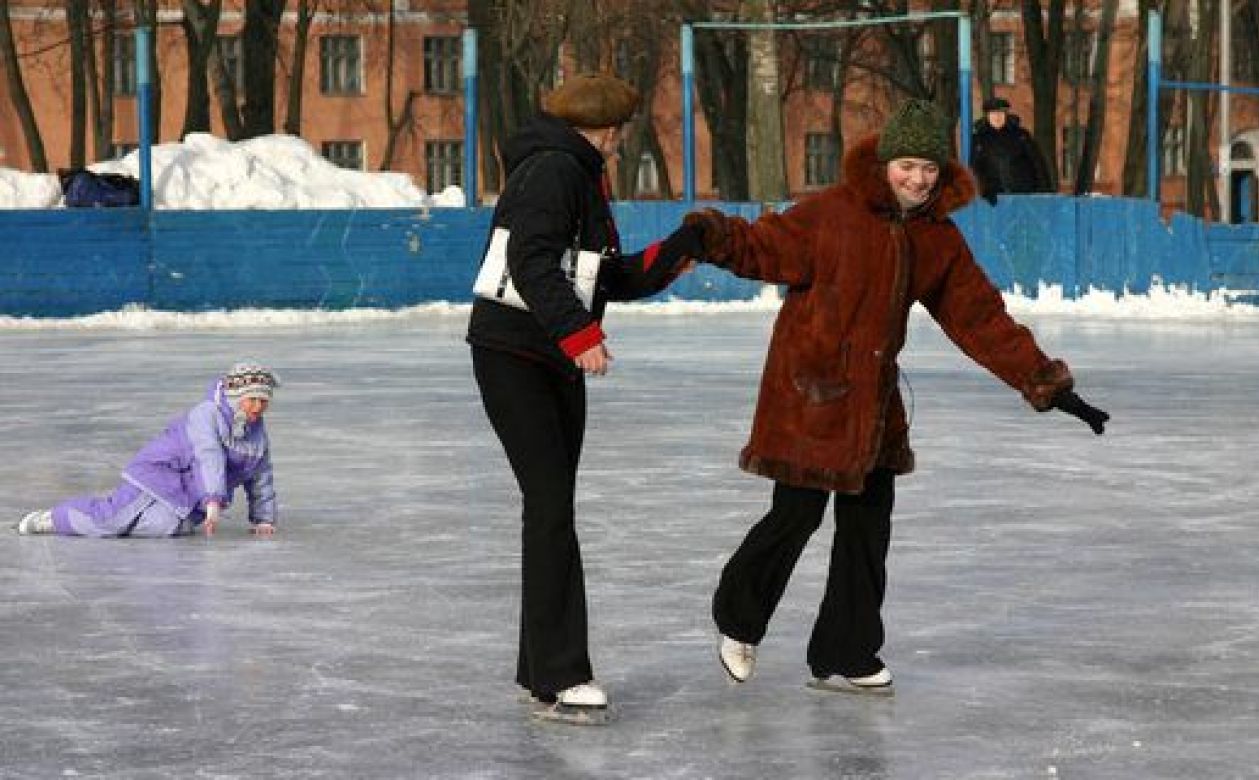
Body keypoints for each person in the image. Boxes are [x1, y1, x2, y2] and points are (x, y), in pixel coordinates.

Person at [682, 99, 1109, 695]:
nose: (918, 179)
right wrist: (712, 235)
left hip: (876, 403)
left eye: (930, 168)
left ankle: (845, 651)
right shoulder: (832, 213)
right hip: (812, 391)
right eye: (908, 164)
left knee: (867, 526)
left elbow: (980, 319)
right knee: (796, 514)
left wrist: (1042, 380)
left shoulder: (937, 238)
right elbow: (763, 245)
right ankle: (739, 619)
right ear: (885, 163)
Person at [466, 73, 703, 721]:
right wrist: (579, 334)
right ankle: (563, 674)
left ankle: (539, 668)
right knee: (550, 509)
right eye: (620, 130)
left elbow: (600, 275)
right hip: (516, 356)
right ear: (602, 128)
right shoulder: (553, 172)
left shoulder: (578, 172)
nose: (622, 142)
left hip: (544, 357)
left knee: (551, 509)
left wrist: (673, 254)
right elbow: (531, 263)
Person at [15, 362, 280, 539]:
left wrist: (263, 519)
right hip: (158, 475)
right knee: (111, 521)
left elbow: (261, 477)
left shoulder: (257, 437)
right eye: (252, 399)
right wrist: (213, 500)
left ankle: (104, 513)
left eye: (263, 400)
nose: (257, 406)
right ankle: (54, 518)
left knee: (167, 528)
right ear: (236, 396)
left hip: (189, 500)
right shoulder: (207, 414)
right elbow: (207, 455)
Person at [970, 96, 1053, 201]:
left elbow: (1038, 163)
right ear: (987, 116)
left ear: (1006, 115)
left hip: (1023, 195)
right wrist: (985, 190)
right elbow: (975, 167)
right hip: (993, 198)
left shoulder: (1021, 136)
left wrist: (1044, 191)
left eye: (1000, 113)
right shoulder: (979, 139)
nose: (997, 117)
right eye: (993, 114)